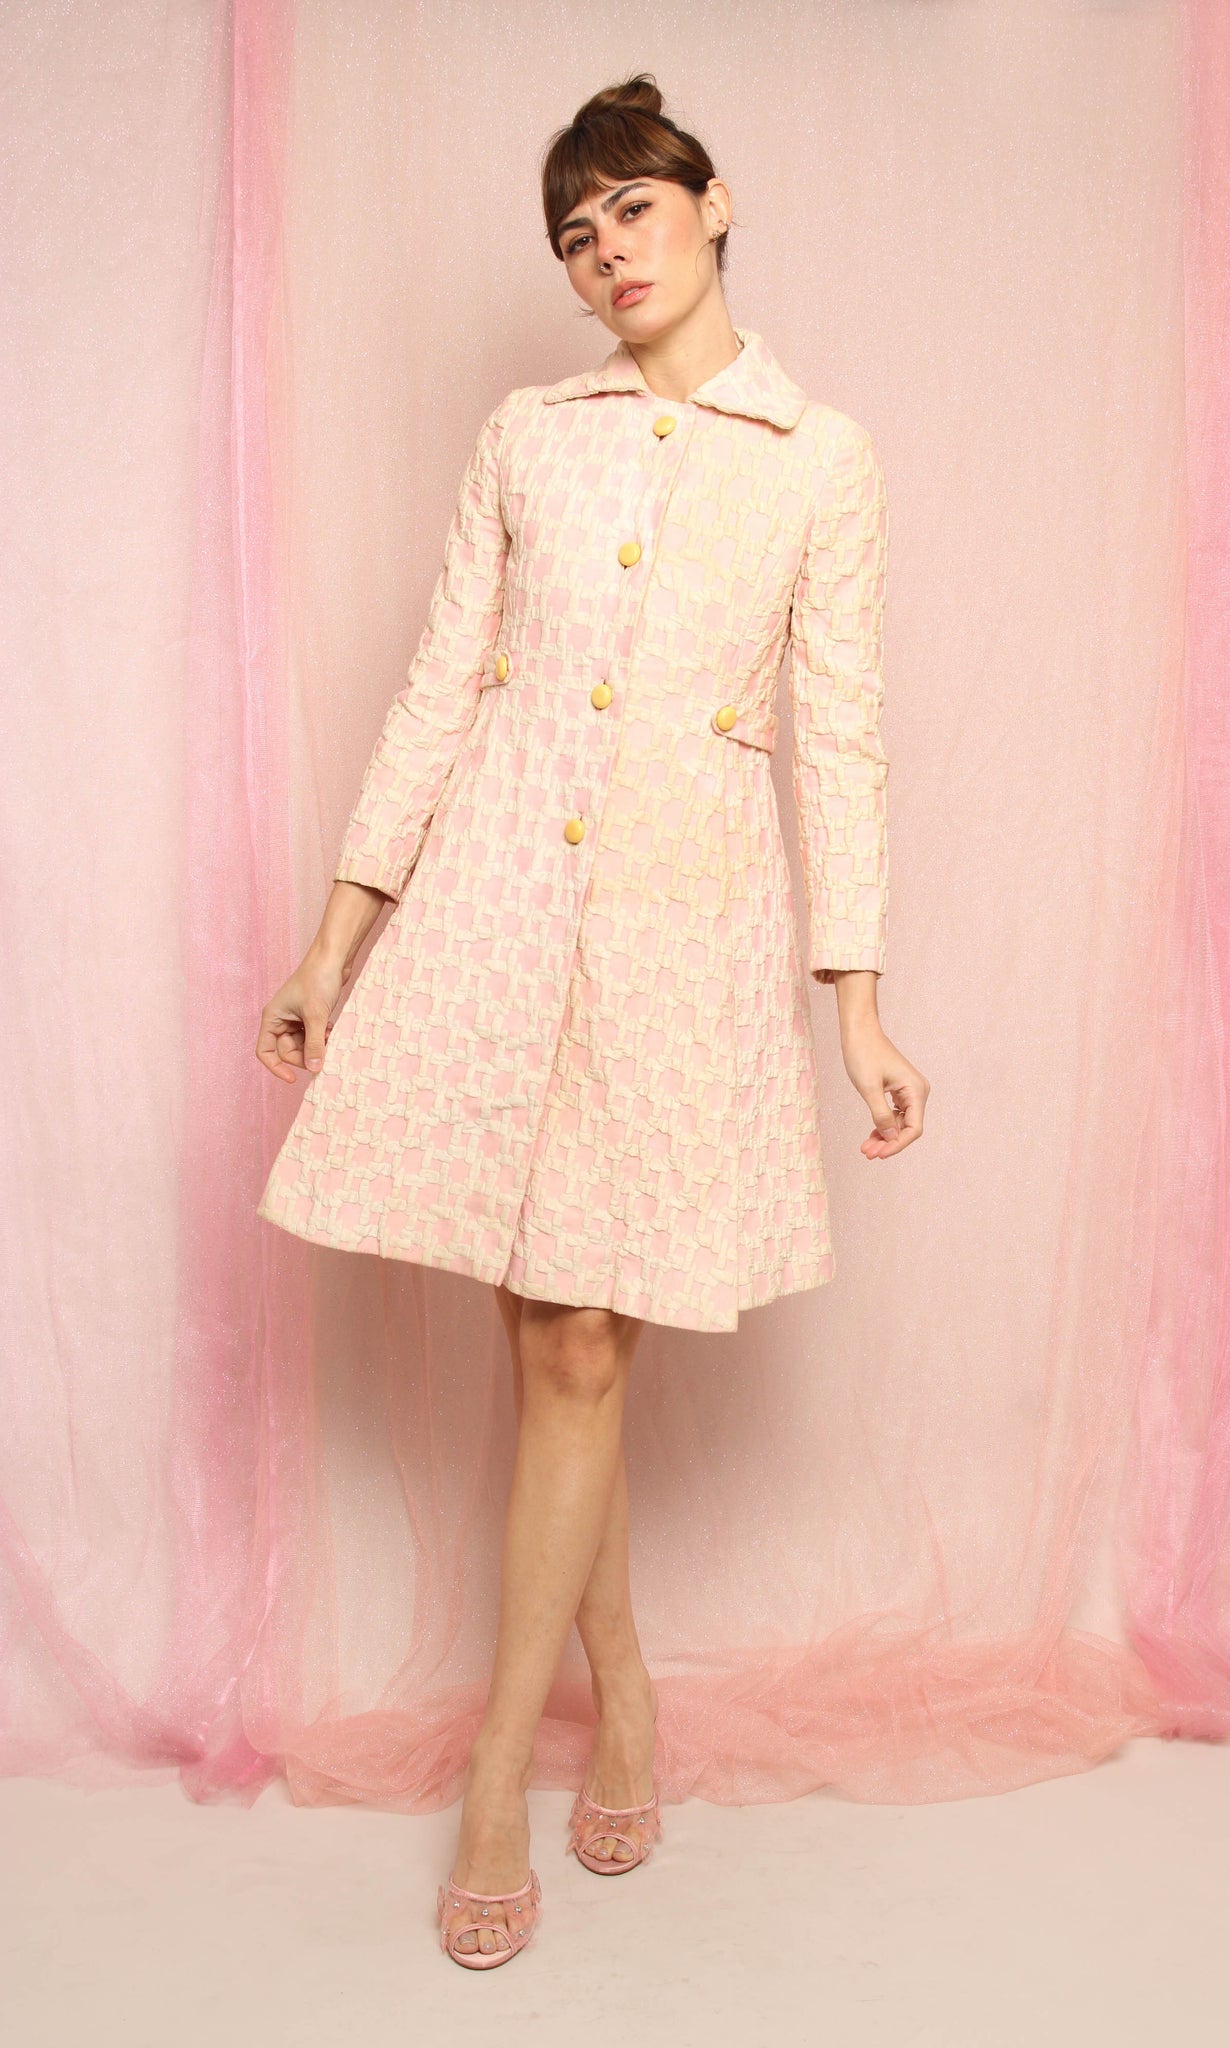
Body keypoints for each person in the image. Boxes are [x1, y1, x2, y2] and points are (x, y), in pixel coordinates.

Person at [254, 73, 927, 1969]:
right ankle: (621, 1687)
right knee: (556, 1356)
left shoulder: (818, 457)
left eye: (630, 208)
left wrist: (858, 1006)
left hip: (674, 935)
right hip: (486, 913)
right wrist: (335, 942)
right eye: (572, 233)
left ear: (712, 203)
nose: (603, 253)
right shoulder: (525, 439)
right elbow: (434, 688)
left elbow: (842, 737)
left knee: (573, 1351)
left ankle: (497, 1774)